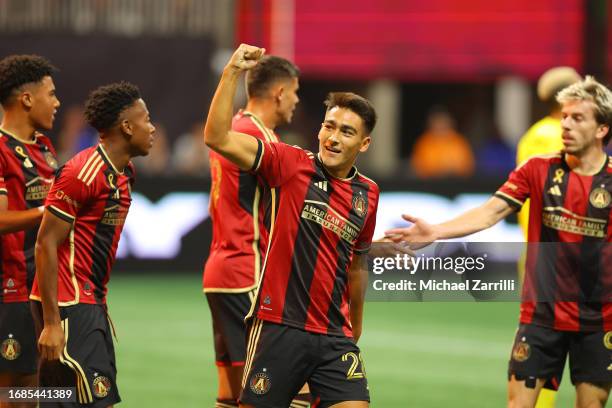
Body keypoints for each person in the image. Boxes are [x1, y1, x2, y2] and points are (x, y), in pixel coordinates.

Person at [386, 76, 612, 408]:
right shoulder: (538, 169)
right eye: (564, 115)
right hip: (541, 317)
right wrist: (436, 231)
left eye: (577, 118)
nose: (565, 124)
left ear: (601, 129)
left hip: (598, 319)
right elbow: (490, 212)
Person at [204, 44, 378, 408]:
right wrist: (232, 72)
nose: (333, 137)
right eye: (329, 126)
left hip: (334, 335)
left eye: (346, 132)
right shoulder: (289, 163)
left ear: (364, 144)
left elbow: (358, 263)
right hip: (279, 327)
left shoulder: (368, 194)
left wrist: (355, 325)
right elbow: (217, 137)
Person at [30, 82, 155, 407]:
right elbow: (45, 244)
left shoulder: (124, 173)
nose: (152, 128)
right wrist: (53, 323)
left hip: (89, 303)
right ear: (127, 127)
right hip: (69, 305)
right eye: (146, 119)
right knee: (95, 401)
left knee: (58, 400)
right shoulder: (81, 173)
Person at [201, 55, 308, 407]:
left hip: (221, 271)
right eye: (294, 92)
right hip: (250, 272)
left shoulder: (236, 126)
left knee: (231, 392)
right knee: (291, 389)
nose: (296, 100)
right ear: (279, 92)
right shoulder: (257, 138)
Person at [515, 66, 582, 408]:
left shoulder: (532, 135)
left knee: (539, 341)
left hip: (535, 248)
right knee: (560, 341)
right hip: (561, 254)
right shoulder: (562, 136)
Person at [0, 54, 60, 408]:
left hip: (44, 291)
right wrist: (48, 211)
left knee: (37, 392)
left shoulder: (44, 149)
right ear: (26, 98)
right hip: (11, 292)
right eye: (50, 93)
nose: (57, 102)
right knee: (13, 393)